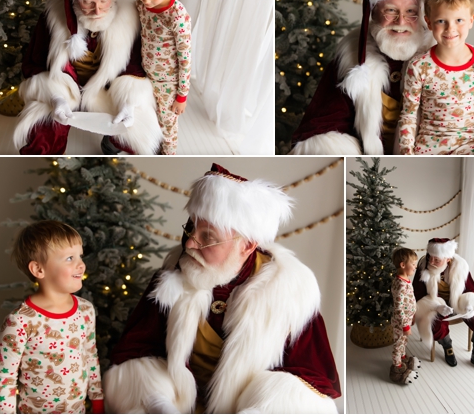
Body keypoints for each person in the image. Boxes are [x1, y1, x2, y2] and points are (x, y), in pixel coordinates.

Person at [103, 164, 340, 413]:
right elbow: (136, 351)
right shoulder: (172, 274)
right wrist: (156, 402)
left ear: (247, 246)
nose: (191, 243)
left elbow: (308, 383)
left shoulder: (290, 292)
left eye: (208, 236)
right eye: (191, 227)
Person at [289, 0, 474, 155]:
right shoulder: (352, 58)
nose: (401, 21)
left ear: (423, 17)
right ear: (374, 13)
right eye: (391, 10)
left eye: (411, 12)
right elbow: (325, 126)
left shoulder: (443, 46)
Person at [13, 0, 162, 155]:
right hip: (64, 89)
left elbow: (134, 68)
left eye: (103, 1)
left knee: (136, 130)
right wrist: (56, 98)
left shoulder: (130, 17)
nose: (98, 10)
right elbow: (34, 65)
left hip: (106, 90)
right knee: (42, 136)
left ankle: (112, 144)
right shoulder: (52, 17)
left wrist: (128, 103)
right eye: (88, 3)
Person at [0, 221, 103, 414]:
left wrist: (98, 402)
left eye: (80, 256)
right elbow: (5, 380)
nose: (81, 264)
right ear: (38, 270)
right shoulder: (20, 321)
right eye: (70, 258)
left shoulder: (85, 310)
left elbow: (90, 356)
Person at [397, 0, 474, 155]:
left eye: (459, 20)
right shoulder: (418, 66)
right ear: (429, 23)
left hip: (471, 148)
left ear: (471, 20)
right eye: (441, 21)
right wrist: (408, 152)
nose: (450, 29)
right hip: (427, 148)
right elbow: (408, 116)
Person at [132, 0, 192, 155]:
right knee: (147, 118)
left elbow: (185, 59)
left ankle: (168, 154)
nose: (146, 1)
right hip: (145, 75)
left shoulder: (177, 17)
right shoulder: (141, 5)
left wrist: (181, 96)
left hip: (168, 83)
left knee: (167, 125)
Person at [413, 238, 474, 377]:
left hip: (457, 303)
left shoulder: (460, 266)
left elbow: (471, 289)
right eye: (430, 258)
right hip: (436, 304)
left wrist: (470, 303)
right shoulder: (424, 267)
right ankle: (447, 347)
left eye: (437, 259)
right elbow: (417, 296)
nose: (432, 262)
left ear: (448, 258)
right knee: (434, 322)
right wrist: (436, 306)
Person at [390, 248, 420, 384]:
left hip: (407, 319)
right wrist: (405, 325)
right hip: (401, 322)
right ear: (403, 265)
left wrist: (412, 316)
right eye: (413, 264)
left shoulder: (406, 279)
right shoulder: (400, 284)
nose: (415, 267)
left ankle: (402, 357)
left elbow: (409, 301)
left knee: (404, 342)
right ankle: (397, 366)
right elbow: (399, 308)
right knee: (398, 343)